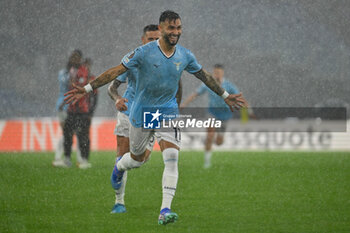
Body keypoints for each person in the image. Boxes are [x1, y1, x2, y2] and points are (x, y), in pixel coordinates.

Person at [65, 10, 247, 225]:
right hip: (142, 113)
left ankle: (165, 210)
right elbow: (115, 72)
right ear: (161, 29)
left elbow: (203, 76)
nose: (176, 32)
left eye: (178, 28)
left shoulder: (185, 55)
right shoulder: (142, 53)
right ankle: (120, 167)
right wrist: (87, 88)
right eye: (171, 28)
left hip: (167, 112)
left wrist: (224, 95)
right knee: (137, 159)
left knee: (172, 158)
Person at [107, 24, 183, 214]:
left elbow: (177, 86)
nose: (154, 42)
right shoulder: (134, 59)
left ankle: (120, 168)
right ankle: (119, 202)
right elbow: (112, 87)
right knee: (122, 153)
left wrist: (174, 109)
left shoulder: (169, 59)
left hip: (153, 114)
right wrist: (117, 99)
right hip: (128, 113)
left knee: (140, 159)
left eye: (157, 38)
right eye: (150, 39)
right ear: (143, 40)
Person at [181, 64, 241, 168]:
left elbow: (238, 96)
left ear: (222, 73)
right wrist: (184, 104)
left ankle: (215, 139)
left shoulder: (228, 85)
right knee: (209, 135)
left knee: (219, 142)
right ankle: (207, 162)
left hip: (225, 115)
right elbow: (195, 94)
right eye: (215, 72)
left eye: (218, 72)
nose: (217, 74)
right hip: (212, 112)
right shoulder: (208, 84)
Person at [63, 58, 98, 169]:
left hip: (83, 111)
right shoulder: (72, 76)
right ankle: (69, 159)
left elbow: (95, 96)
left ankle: (83, 159)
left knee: (83, 136)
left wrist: (91, 112)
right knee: (69, 135)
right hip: (73, 110)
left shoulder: (90, 78)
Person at [53, 49, 83, 167]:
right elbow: (66, 83)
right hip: (63, 105)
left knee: (73, 133)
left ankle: (75, 158)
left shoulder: (80, 72)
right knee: (67, 133)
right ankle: (59, 157)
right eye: (73, 58)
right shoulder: (63, 73)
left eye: (77, 58)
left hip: (74, 106)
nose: (75, 60)